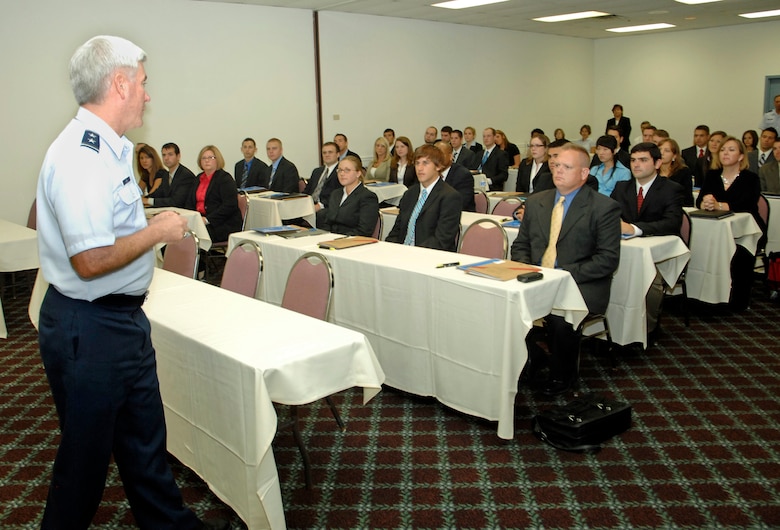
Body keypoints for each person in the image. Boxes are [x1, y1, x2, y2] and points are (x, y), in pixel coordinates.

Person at [35, 35, 225, 529]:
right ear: (119, 84)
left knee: (144, 441)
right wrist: (159, 230)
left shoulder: (112, 148)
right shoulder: (81, 156)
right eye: (143, 82)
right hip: (90, 328)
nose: (147, 93)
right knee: (85, 462)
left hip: (119, 322)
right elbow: (91, 260)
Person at [511, 143, 620, 396]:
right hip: (538, 277)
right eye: (556, 165)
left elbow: (607, 260)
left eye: (567, 167)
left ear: (584, 174)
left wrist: (562, 275)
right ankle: (534, 357)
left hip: (581, 284)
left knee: (560, 320)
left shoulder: (603, 208)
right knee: (504, 303)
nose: (558, 170)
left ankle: (563, 376)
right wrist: (530, 269)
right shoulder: (537, 201)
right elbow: (521, 245)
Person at [611, 142, 684, 339]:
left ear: (657, 163)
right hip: (622, 250)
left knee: (651, 282)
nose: (636, 165)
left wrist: (634, 229)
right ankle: (611, 329)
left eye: (643, 160)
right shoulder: (621, 187)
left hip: (657, 253)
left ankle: (647, 330)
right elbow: (608, 214)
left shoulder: (671, 189)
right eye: (633, 160)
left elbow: (672, 223)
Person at [696, 136, 762, 311]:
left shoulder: (750, 178)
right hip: (715, 229)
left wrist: (721, 205)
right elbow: (700, 201)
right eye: (723, 149)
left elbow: (747, 204)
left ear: (741, 156)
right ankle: (702, 295)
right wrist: (705, 203)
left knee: (740, 252)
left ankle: (737, 299)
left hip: (745, 230)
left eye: (731, 150)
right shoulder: (712, 175)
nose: (725, 153)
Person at [386, 144, 461, 251]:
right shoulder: (410, 193)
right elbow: (397, 230)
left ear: (438, 166)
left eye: (425, 163)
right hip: (403, 253)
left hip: (429, 255)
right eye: (417, 163)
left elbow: (442, 240)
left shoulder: (449, 196)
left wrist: (411, 252)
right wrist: (388, 248)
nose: (420, 168)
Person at [185, 145, 242, 242]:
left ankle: (199, 257)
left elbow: (229, 206)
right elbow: (190, 202)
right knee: (174, 233)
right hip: (200, 221)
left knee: (193, 237)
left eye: (211, 157)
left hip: (222, 224)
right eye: (204, 158)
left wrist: (207, 220)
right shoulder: (198, 179)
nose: (207, 161)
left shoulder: (225, 179)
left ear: (217, 160)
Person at [321, 155, 379, 237]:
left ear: (358, 173)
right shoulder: (335, 194)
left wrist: (338, 239)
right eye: (340, 170)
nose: (342, 174)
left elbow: (364, 231)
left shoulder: (367, 197)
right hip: (331, 239)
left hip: (352, 242)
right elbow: (327, 223)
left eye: (347, 170)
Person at [143, 142, 197, 208]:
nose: (166, 158)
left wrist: (148, 201)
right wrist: (142, 200)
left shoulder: (186, 176)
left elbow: (176, 201)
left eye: (170, 155)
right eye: (164, 155)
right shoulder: (166, 175)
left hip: (185, 213)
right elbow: (158, 194)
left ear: (178, 156)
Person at [304, 141, 341, 226]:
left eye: (330, 152)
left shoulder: (341, 172)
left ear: (338, 154)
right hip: (310, 203)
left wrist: (320, 205)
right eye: (324, 153)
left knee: (320, 215)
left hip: (326, 206)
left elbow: (337, 194)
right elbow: (307, 191)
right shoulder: (317, 171)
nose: (327, 155)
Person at [435, 140, 476, 212]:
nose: (437, 159)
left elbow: (459, 203)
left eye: (441, 155)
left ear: (451, 156)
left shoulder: (463, 175)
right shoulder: (430, 173)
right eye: (434, 156)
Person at [658, 138, 694, 206]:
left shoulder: (683, 172)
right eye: (659, 149)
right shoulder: (651, 171)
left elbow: (687, 199)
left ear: (674, 156)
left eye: (667, 151)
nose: (661, 153)